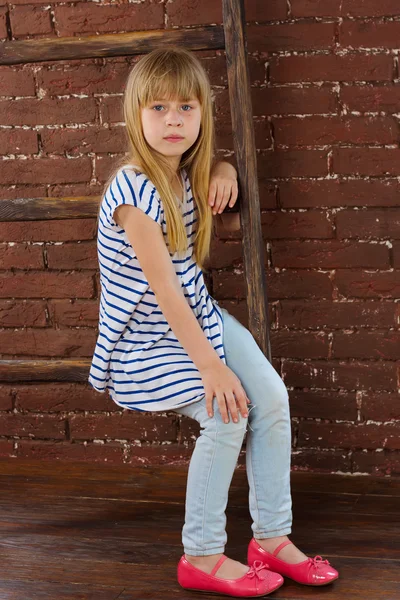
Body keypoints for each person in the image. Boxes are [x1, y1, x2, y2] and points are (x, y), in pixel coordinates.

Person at [88, 47, 339, 597]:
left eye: (185, 107)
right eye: (157, 108)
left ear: (202, 114)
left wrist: (223, 166)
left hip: (201, 316)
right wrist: (212, 370)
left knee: (271, 397)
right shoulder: (132, 194)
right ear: (136, 116)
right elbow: (164, 292)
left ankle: (270, 538)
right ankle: (200, 554)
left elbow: (210, 168)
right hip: (150, 338)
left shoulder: (185, 174)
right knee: (227, 412)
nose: (173, 119)